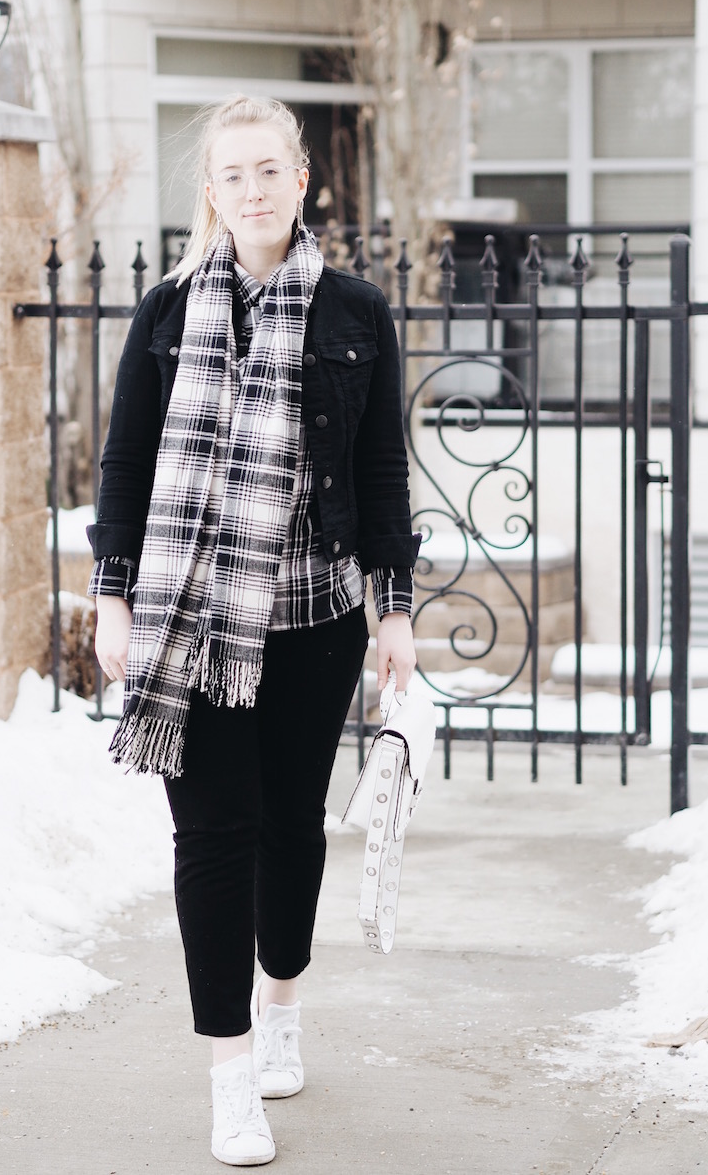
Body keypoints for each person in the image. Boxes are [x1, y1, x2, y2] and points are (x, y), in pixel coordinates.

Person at [87, 95, 418, 1167]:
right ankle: (231, 1071)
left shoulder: (358, 312)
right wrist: (112, 592)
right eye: (234, 174)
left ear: (303, 179)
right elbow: (128, 463)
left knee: (291, 826)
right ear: (214, 192)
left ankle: (281, 997)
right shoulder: (167, 312)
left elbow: (377, 472)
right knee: (213, 837)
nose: (255, 189)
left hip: (315, 621)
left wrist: (393, 608)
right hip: (189, 618)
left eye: (271, 170)